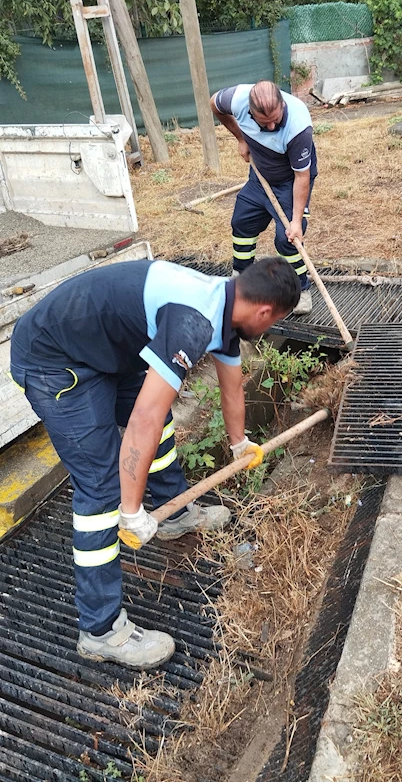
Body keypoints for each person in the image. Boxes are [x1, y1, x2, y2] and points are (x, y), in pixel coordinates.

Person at [10, 257, 300, 670]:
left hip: (107, 347)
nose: (270, 329)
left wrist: (240, 443)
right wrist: (130, 511)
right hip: (55, 359)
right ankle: (101, 630)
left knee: (159, 421)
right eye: (275, 323)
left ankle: (173, 514)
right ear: (265, 312)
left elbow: (232, 385)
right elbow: (141, 420)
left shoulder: (225, 304)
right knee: (101, 488)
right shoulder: (193, 320)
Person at [210, 80, 318, 316]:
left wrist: (296, 222)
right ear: (249, 110)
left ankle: (300, 290)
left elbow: (302, 177)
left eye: (276, 120)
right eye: (263, 122)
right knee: (242, 222)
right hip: (260, 176)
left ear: (282, 104)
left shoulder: (299, 127)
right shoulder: (236, 99)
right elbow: (214, 104)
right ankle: (241, 277)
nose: (270, 127)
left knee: (286, 238)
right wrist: (241, 138)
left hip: (290, 181)